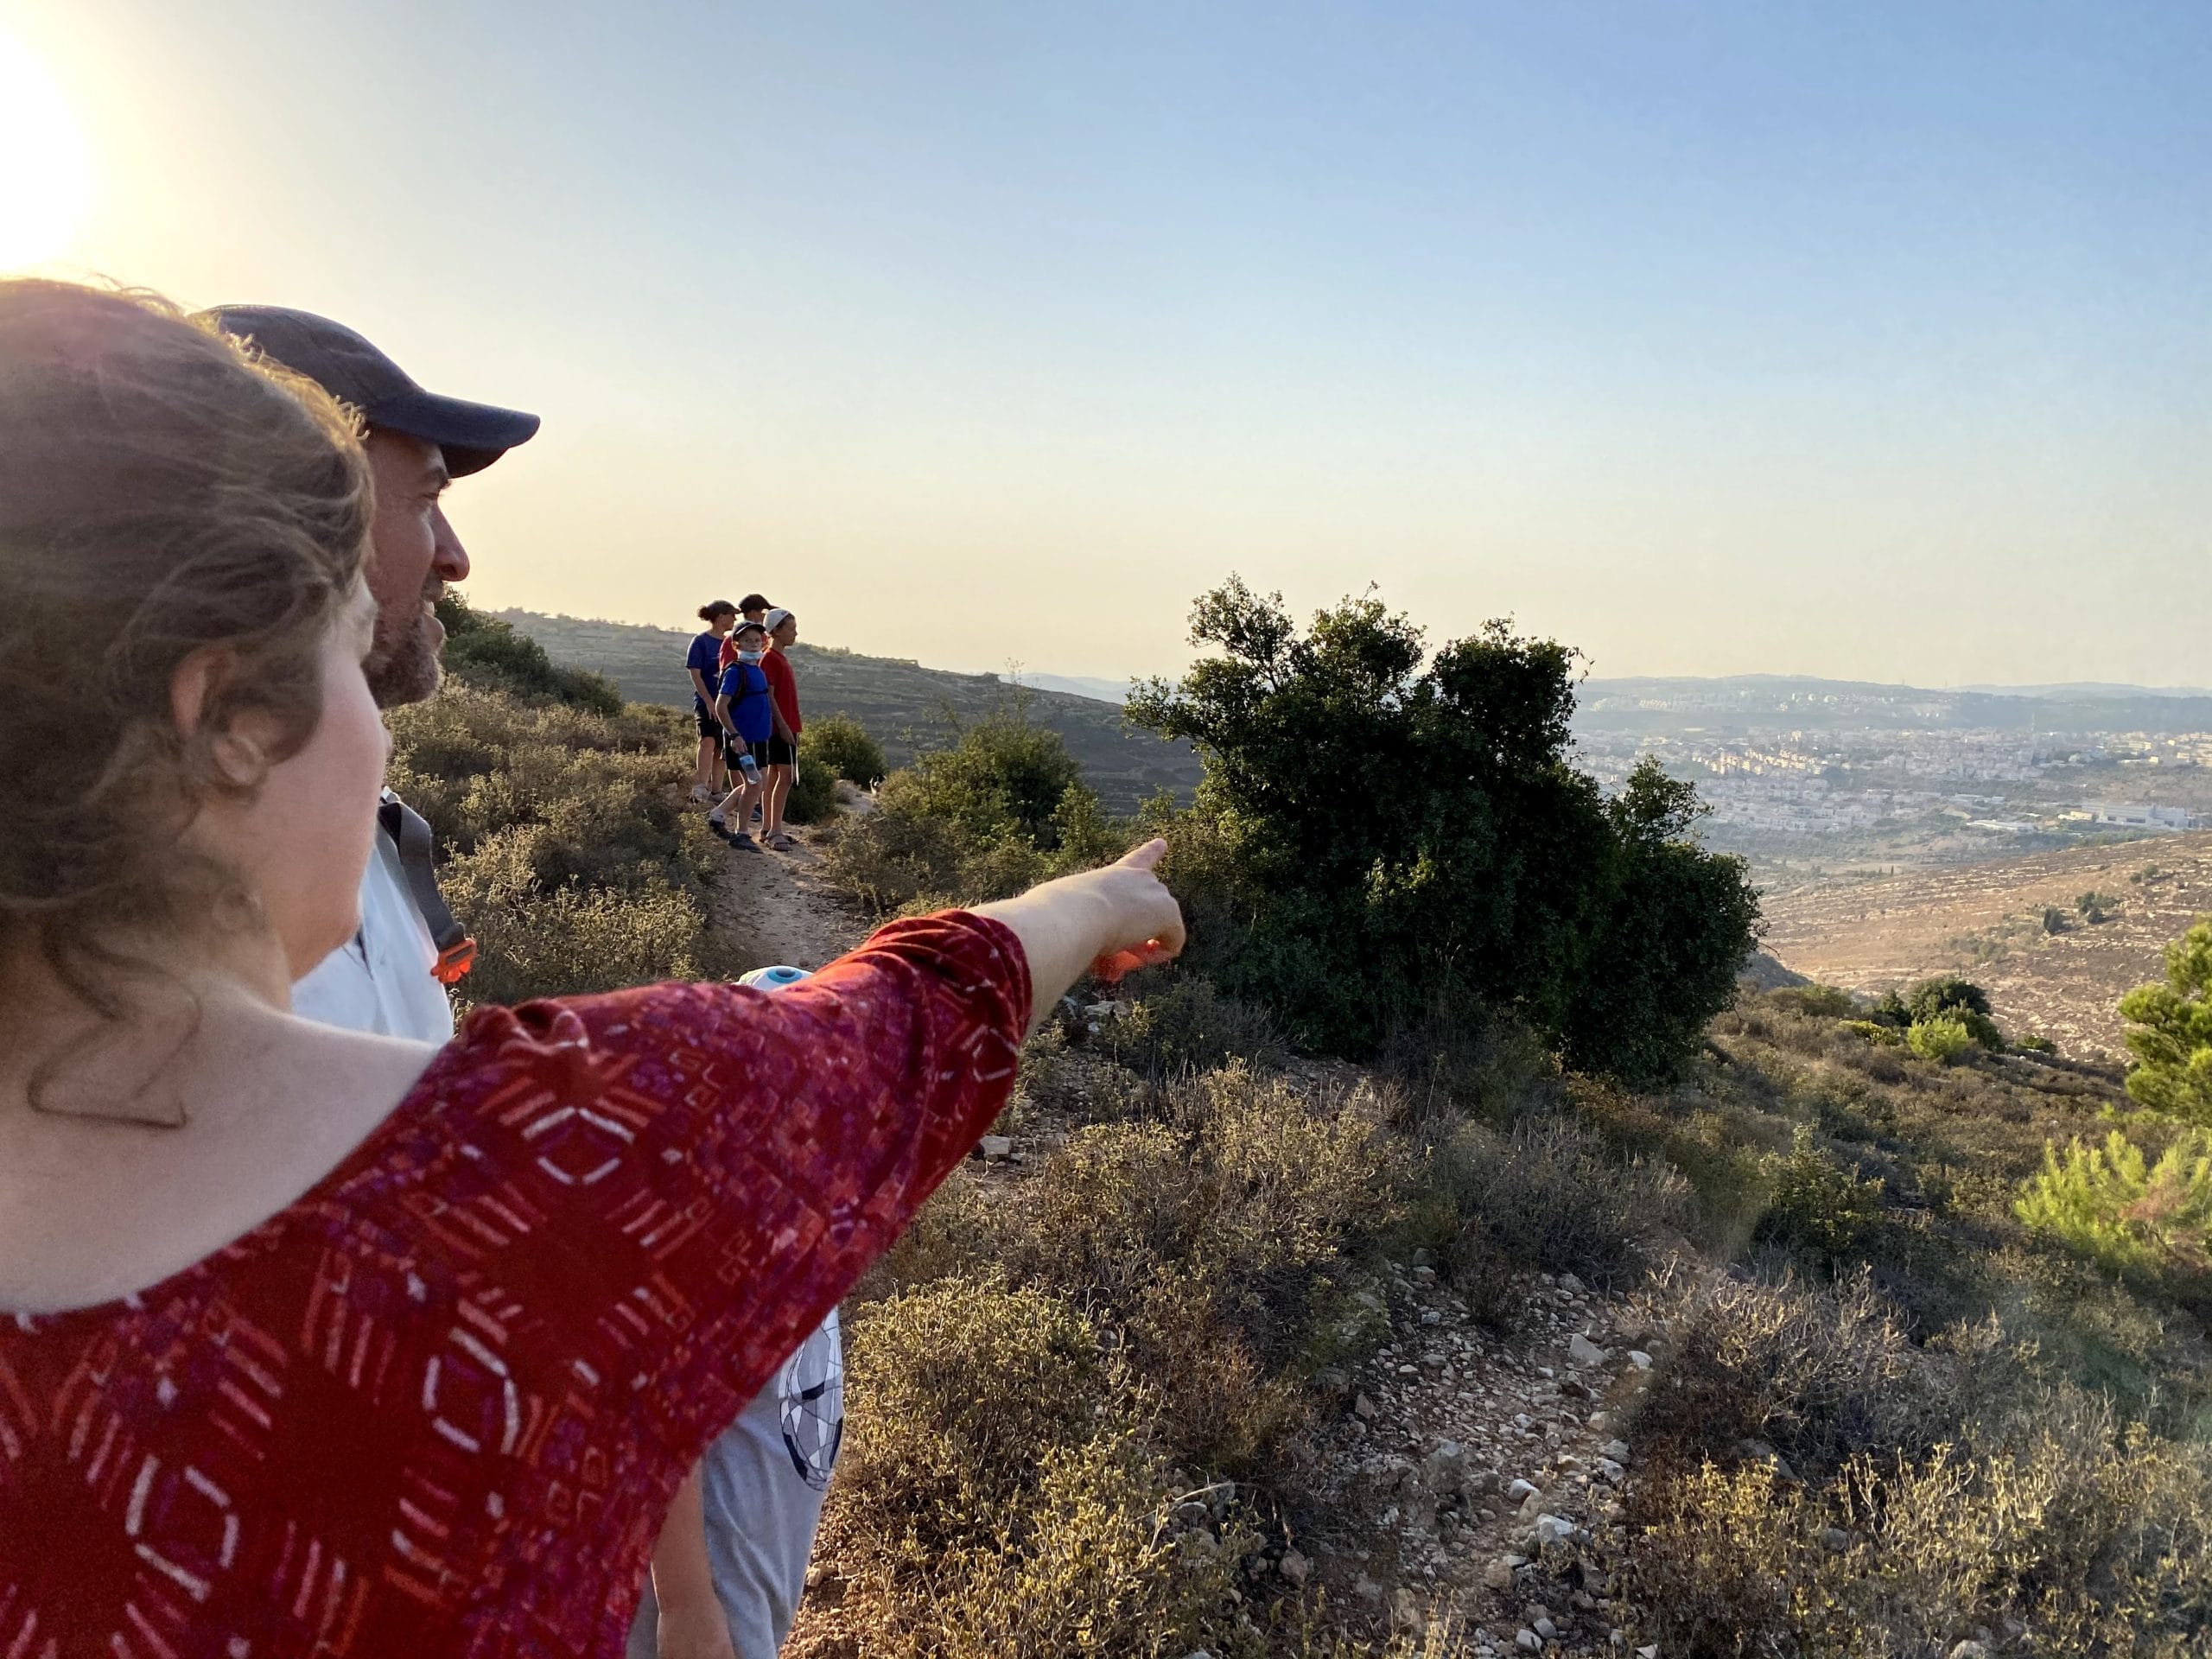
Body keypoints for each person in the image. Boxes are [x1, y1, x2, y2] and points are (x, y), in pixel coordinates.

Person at [0, 279, 1185, 1657]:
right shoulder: (537, 1162)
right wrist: (1098, 895)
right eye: (333, 653)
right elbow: (899, 1027)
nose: (376, 743)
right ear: (224, 722)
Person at [200, 302, 540, 1040]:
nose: (453, 557)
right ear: (290, 528)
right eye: (424, 499)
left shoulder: (347, 807)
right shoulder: (164, 920)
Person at [630, 964, 842, 1659]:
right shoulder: (717, 1234)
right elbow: (656, 1412)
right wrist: (688, 1604)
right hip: (700, 1620)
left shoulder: (799, 1227)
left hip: (750, 1601)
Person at [709, 619, 775, 849]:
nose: (753, 644)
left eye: (757, 640)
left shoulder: (756, 670)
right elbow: (721, 706)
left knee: (757, 783)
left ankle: (718, 815)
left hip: (758, 738)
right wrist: (734, 735)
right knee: (754, 784)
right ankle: (742, 833)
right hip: (743, 739)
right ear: (736, 644)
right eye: (747, 641)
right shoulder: (736, 672)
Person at [759, 608, 803, 852]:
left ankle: (769, 827)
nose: (795, 633)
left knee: (775, 777)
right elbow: (770, 696)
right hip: (778, 728)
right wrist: (784, 727)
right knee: (784, 777)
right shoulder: (770, 659)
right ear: (776, 630)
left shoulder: (780, 659)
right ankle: (775, 830)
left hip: (784, 727)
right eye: (791, 628)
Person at [689, 601, 738, 803]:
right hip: (706, 701)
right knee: (707, 740)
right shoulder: (700, 641)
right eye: (732, 615)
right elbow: (695, 674)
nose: (735, 620)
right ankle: (701, 785)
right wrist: (709, 702)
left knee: (722, 747)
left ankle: (717, 791)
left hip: (727, 705)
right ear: (721, 617)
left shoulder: (732, 644)